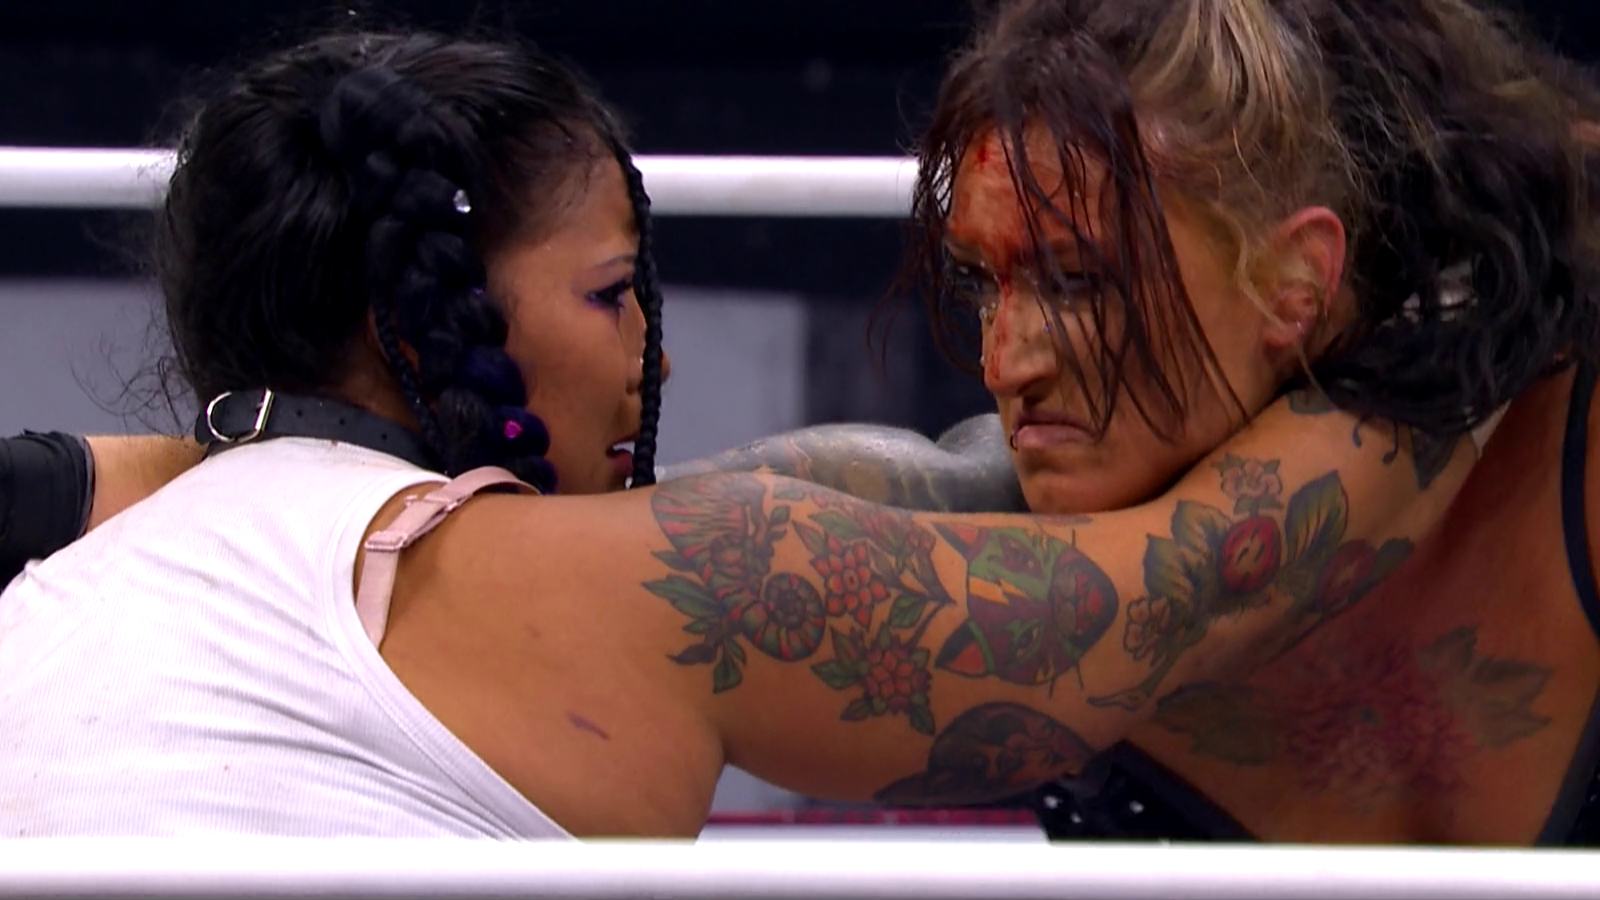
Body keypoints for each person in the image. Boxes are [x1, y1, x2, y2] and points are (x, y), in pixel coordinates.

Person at [0, 24, 1479, 838]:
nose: (650, 352)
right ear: (429, 319)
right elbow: (1176, 595)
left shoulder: (93, 574)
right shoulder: (629, 592)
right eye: (609, 294)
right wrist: (1458, 328)